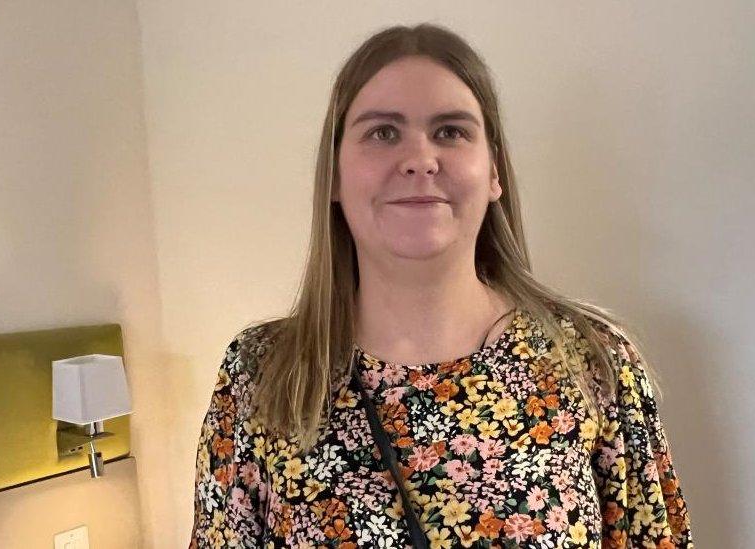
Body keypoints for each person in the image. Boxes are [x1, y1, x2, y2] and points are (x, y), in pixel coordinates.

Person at [189, 22, 693, 549]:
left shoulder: (594, 362)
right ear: (334, 176)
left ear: (494, 171)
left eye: (451, 131)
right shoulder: (264, 374)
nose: (419, 160)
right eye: (383, 132)